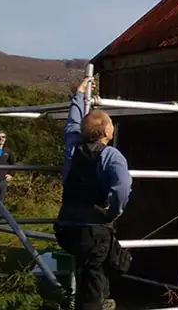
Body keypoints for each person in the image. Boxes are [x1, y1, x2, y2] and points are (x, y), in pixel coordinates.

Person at [53, 76, 132, 310]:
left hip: (66, 226)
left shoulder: (73, 146)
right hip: (92, 230)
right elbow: (122, 187)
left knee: (88, 272)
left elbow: (72, 123)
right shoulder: (111, 156)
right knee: (94, 280)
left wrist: (79, 93)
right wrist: (114, 212)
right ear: (109, 130)